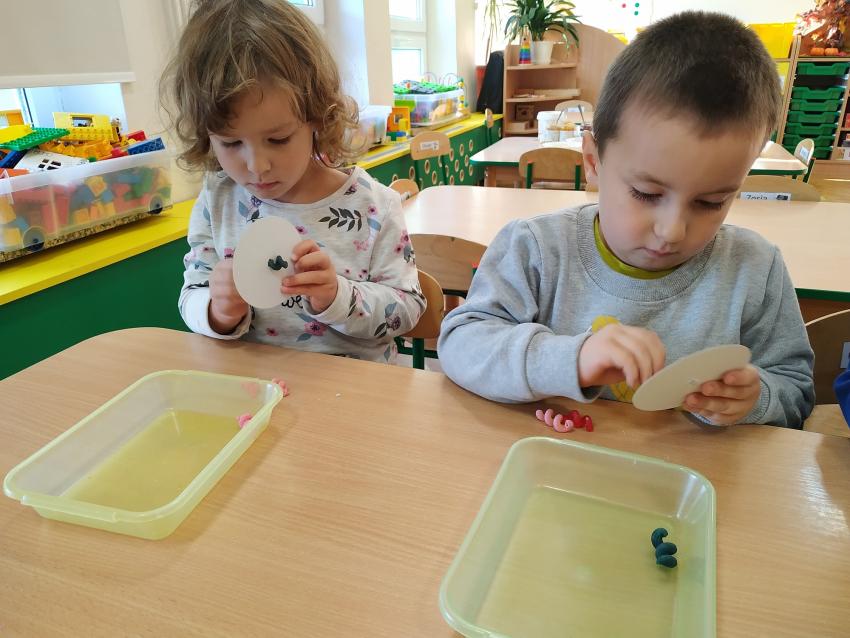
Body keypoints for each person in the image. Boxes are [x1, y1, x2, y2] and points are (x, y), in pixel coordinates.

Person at [438, 11, 814, 427]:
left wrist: (757, 398)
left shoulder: (755, 270)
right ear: (592, 161)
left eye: (711, 202)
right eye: (646, 194)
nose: (672, 230)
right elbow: (460, 344)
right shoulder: (536, 249)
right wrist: (571, 358)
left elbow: (796, 392)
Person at [160, 0, 424, 363]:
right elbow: (192, 293)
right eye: (231, 143)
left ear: (317, 116)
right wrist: (216, 312)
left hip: (354, 388)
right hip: (254, 387)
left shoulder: (374, 207)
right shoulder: (217, 200)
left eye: (278, 138)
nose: (257, 166)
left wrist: (337, 297)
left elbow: (407, 309)